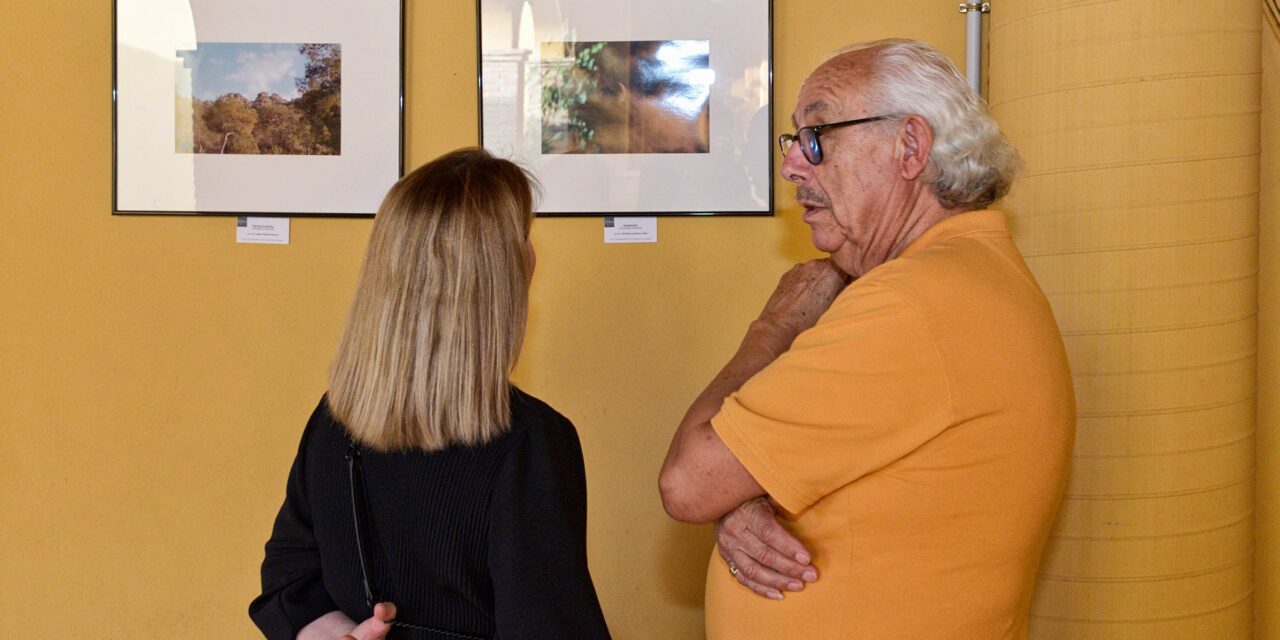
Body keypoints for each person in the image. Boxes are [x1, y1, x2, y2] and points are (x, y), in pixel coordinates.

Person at [659, 39, 1075, 639]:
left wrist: (775, 325)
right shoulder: (963, 275)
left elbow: (689, 481)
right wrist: (745, 497)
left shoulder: (914, 303)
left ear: (909, 146)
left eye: (818, 135)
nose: (792, 165)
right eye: (795, 140)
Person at [249, 148, 611, 640]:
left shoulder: (335, 418)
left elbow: (290, 581)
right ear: (499, 280)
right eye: (523, 236)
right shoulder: (531, 443)